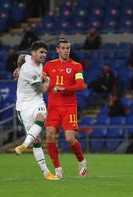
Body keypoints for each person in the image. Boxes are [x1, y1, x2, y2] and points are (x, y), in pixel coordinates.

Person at [13, 41, 58, 181]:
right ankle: (46, 172)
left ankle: (23, 145)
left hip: (37, 102)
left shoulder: (30, 60)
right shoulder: (30, 70)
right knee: (37, 139)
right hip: (24, 106)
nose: (44, 55)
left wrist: (18, 67)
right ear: (34, 53)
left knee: (41, 117)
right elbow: (42, 90)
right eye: (41, 52)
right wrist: (49, 82)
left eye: (45, 52)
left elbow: (21, 56)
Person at [43, 38, 88, 178]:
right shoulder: (49, 66)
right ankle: (58, 169)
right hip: (53, 106)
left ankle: (82, 161)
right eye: (62, 48)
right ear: (57, 50)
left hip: (69, 106)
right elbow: (41, 82)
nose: (65, 51)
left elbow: (80, 86)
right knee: (49, 135)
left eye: (67, 48)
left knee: (69, 138)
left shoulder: (76, 66)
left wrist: (63, 89)